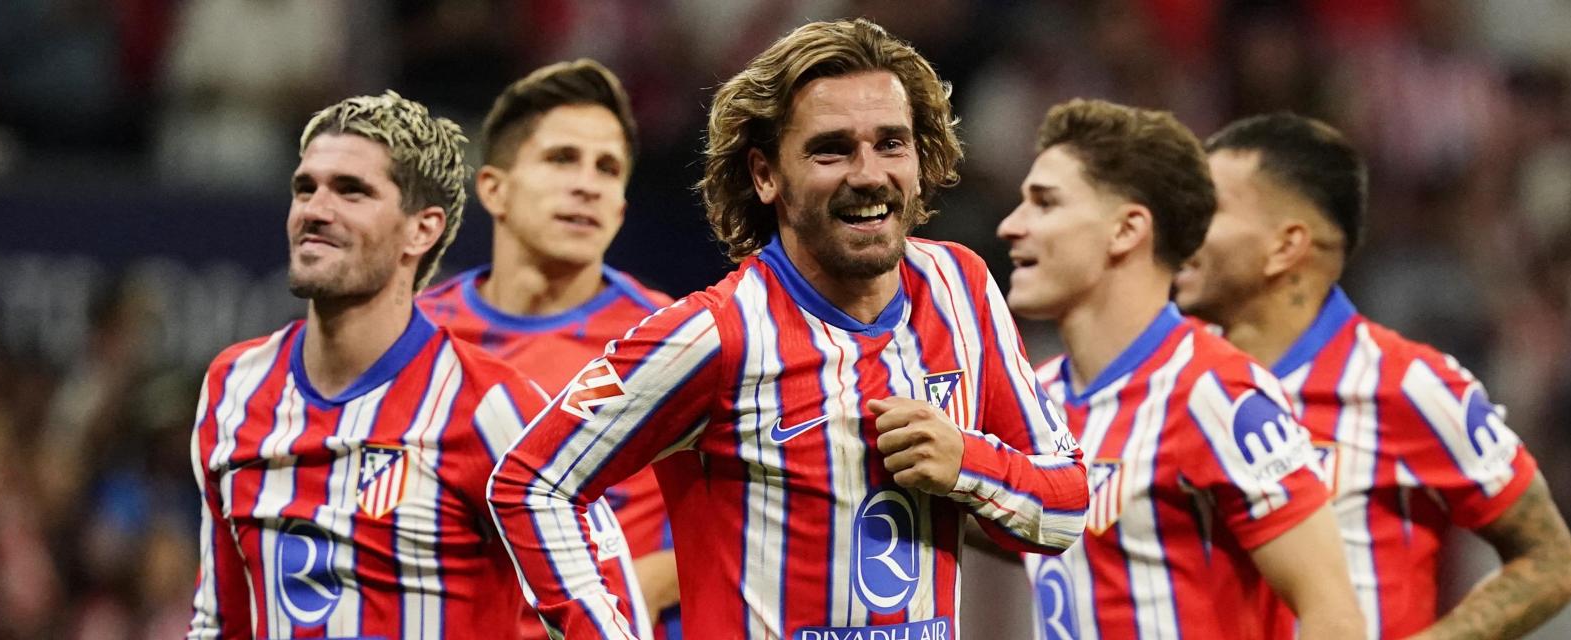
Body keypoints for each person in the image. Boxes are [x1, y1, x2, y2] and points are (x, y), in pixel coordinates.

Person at [488, 18, 1089, 640]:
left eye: (891, 143)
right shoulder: (715, 333)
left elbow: (1066, 505)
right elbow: (532, 484)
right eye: (831, 149)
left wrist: (967, 463)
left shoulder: (960, 287)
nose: (868, 173)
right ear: (765, 175)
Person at [186, 91, 639, 639]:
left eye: (352, 191)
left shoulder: (492, 409)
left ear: (421, 229)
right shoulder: (234, 387)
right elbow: (219, 621)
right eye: (306, 188)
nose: (316, 210)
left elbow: (607, 610)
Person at [1173, 113, 1571, 639]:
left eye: (1210, 209)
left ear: (1286, 245)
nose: (1182, 228)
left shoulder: (1407, 384)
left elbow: (1550, 561)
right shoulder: (1173, 387)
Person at [997, 99, 1364, 640]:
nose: (1011, 226)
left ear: (1126, 230)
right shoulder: (1034, 400)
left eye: (1044, 204)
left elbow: (1335, 618)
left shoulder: (1215, 393)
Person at [417, 59, 675, 638]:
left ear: (620, 208)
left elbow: (761, 511)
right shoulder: (419, 337)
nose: (587, 183)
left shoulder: (671, 337)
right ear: (493, 188)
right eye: (561, 158)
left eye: (607, 169)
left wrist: (653, 581)